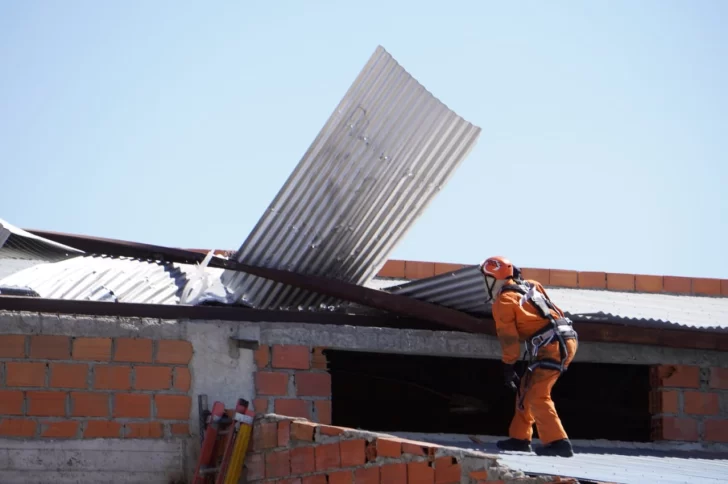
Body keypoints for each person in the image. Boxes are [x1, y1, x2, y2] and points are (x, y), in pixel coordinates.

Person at [480, 256, 578, 458]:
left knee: (537, 394)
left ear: (494, 280)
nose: (484, 285)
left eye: (486, 279)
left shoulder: (503, 301)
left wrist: (508, 366)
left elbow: (509, 340)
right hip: (564, 339)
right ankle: (520, 439)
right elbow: (548, 312)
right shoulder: (532, 285)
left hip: (552, 345)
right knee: (526, 388)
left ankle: (558, 443)